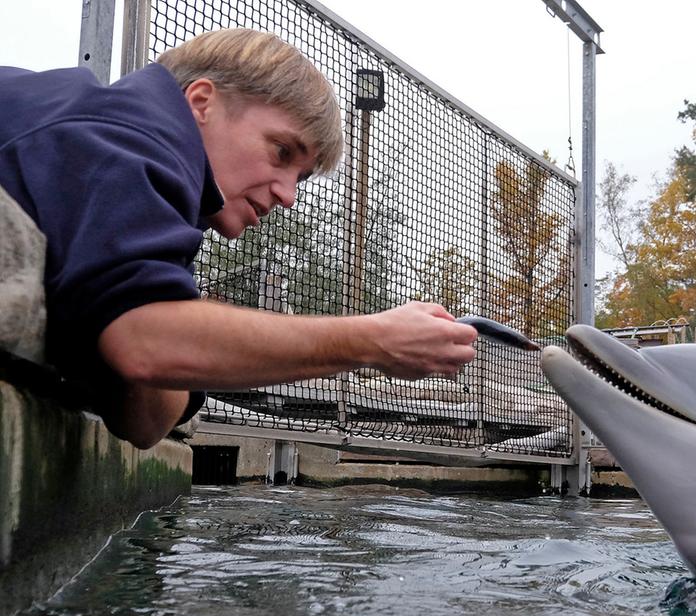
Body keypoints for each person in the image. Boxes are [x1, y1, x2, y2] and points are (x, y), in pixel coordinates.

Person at [0, 28, 477, 449]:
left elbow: (147, 421)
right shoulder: (126, 132)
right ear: (201, 101)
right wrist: (371, 340)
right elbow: (145, 345)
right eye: (281, 150)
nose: (288, 196)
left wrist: (166, 333)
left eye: (302, 177)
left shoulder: (154, 200)